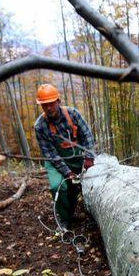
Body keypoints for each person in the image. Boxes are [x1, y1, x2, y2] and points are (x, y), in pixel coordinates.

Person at [33, 84, 95, 229]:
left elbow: (87, 136)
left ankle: (89, 213)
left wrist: (89, 158)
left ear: (58, 101)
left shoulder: (73, 114)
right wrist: (67, 172)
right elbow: (50, 154)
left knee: (88, 184)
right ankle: (66, 219)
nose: (48, 108)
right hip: (56, 161)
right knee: (58, 187)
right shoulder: (40, 126)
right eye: (44, 105)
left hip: (79, 156)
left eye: (51, 103)